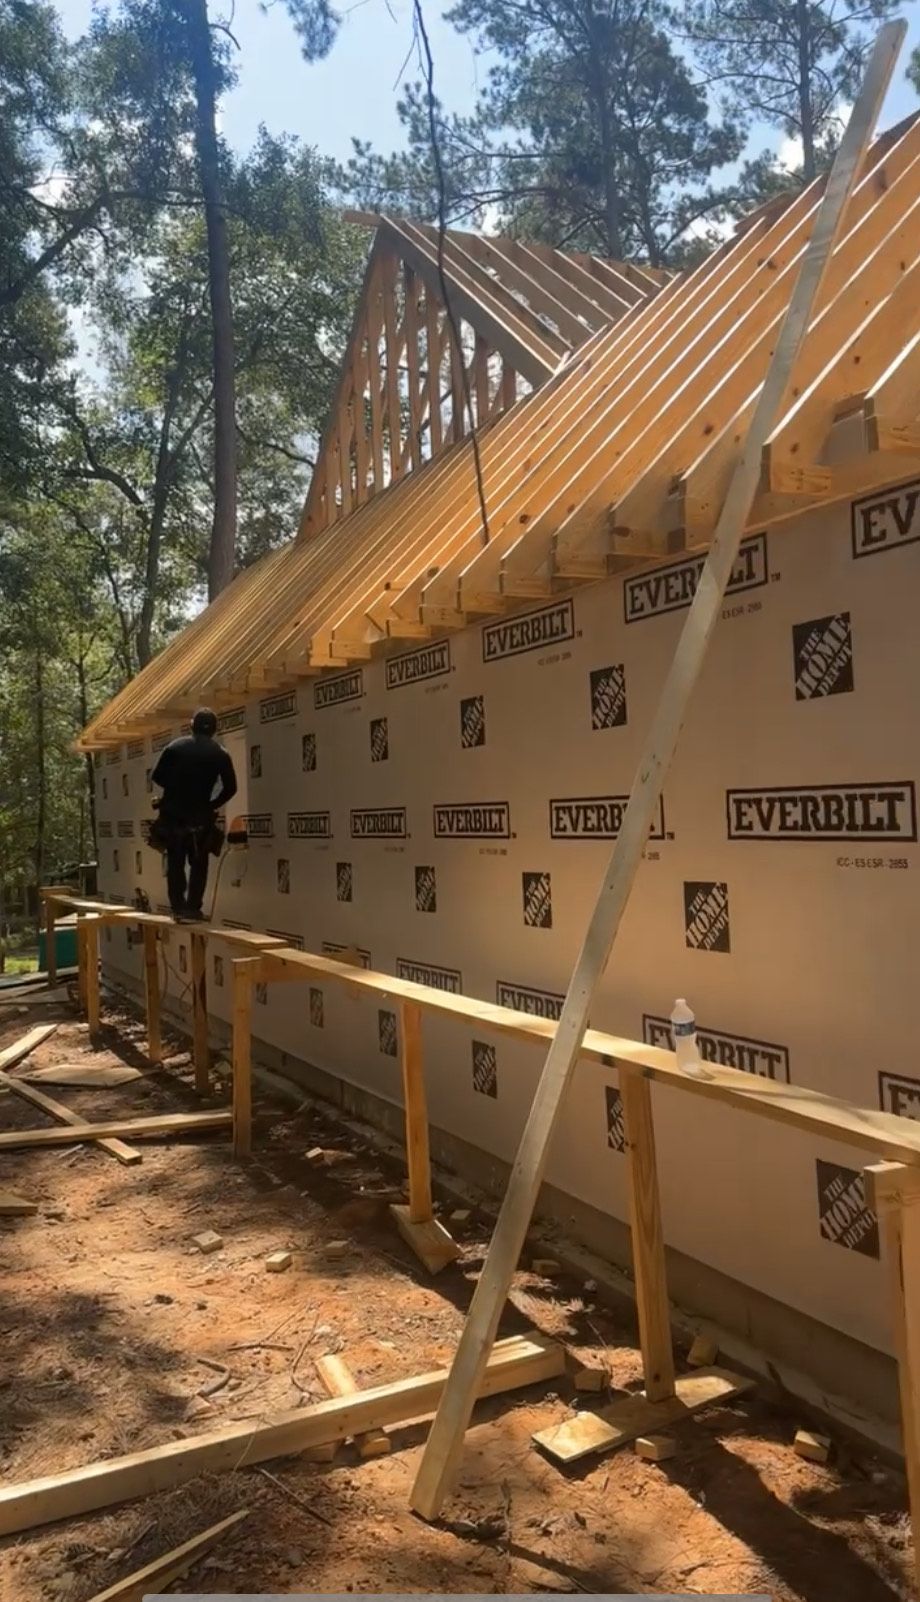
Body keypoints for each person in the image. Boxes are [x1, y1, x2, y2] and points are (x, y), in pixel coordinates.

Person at [151, 708, 238, 920]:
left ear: (192, 726)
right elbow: (231, 788)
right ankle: (192, 908)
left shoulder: (174, 747)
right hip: (200, 817)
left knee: (175, 862)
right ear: (215, 730)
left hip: (173, 816)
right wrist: (211, 805)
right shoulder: (220, 754)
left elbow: (157, 777)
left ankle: (178, 907)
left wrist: (176, 791)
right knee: (199, 864)